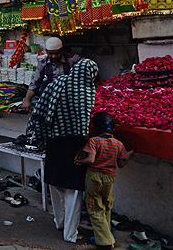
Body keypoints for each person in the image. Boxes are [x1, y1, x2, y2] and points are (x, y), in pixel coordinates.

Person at [28, 58, 98, 244]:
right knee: (73, 192)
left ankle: (59, 222)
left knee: (56, 186)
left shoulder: (57, 83)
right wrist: (83, 146)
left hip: (53, 142)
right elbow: (82, 122)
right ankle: (70, 233)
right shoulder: (84, 90)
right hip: (72, 145)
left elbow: (40, 110)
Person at [75, 112, 133, 250]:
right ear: (113, 128)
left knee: (95, 209)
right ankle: (106, 237)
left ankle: (105, 242)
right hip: (109, 178)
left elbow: (91, 160)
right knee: (106, 206)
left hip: (94, 177)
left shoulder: (94, 141)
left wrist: (79, 160)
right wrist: (130, 154)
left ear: (95, 127)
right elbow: (122, 163)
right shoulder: (118, 143)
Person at [21, 37, 79, 113]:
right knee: (30, 100)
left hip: (70, 93)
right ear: (46, 52)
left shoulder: (73, 60)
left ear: (62, 51)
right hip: (52, 94)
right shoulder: (43, 64)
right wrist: (27, 100)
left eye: (57, 53)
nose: (54, 56)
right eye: (51, 54)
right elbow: (35, 83)